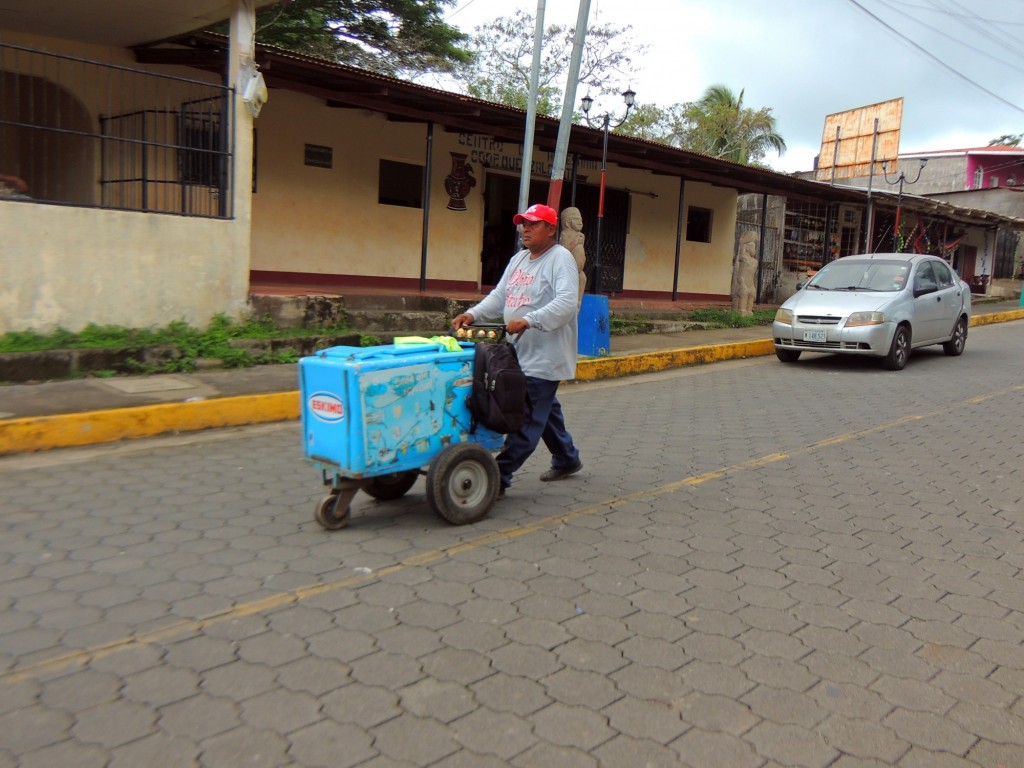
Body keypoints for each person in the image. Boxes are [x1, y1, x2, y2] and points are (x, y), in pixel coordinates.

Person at [452, 203, 583, 496]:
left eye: (533, 224)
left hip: (545, 356)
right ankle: (567, 458)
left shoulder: (560, 259)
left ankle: (499, 476)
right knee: (544, 411)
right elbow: (500, 297)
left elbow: (566, 303)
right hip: (519, 353)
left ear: (550, 229)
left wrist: (529, 319)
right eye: (524, 223)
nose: (526, 229)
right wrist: (472, 314)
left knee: (526, 419)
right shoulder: (519, 260)